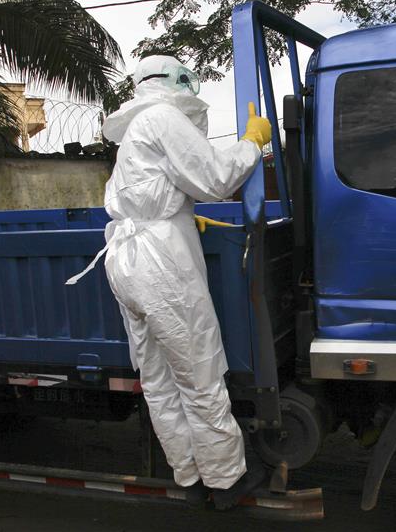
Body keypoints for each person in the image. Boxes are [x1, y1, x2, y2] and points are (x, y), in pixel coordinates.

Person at [65, 55, 272, 509]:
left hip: (127, 258)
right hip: (159, 261)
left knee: (159, 380)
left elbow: (153, 191)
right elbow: (217, 178)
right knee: (199, 372)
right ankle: (228, 481)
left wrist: (180, 215)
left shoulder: (137, 132)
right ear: (176, 83)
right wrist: (253, 143)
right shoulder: (162, 118)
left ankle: (191, 476)